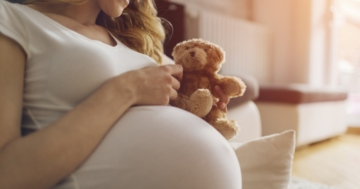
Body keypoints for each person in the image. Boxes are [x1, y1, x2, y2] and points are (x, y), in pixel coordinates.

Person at [0, 0, 242, 188]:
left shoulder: (129, 41)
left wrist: (206, 98)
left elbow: (189, 78)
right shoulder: (11, 18)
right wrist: (126, 89)